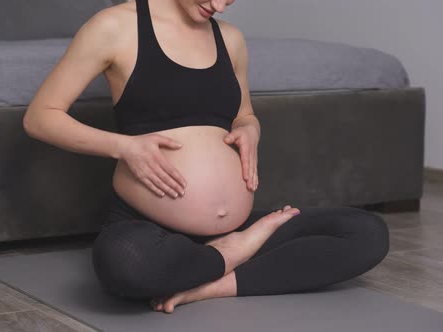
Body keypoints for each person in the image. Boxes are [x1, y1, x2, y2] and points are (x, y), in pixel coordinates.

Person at [23, 0, 389, 314]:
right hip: (149, 226)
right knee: (125, 267)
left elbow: (244, 114)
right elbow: (41, 117)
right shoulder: (114, 26)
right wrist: (124, 146)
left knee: (366, 232)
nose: (218, 5)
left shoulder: (230, 39)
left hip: (236, 226)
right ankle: (233, 254)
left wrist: (251, 129)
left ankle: (214, 280)